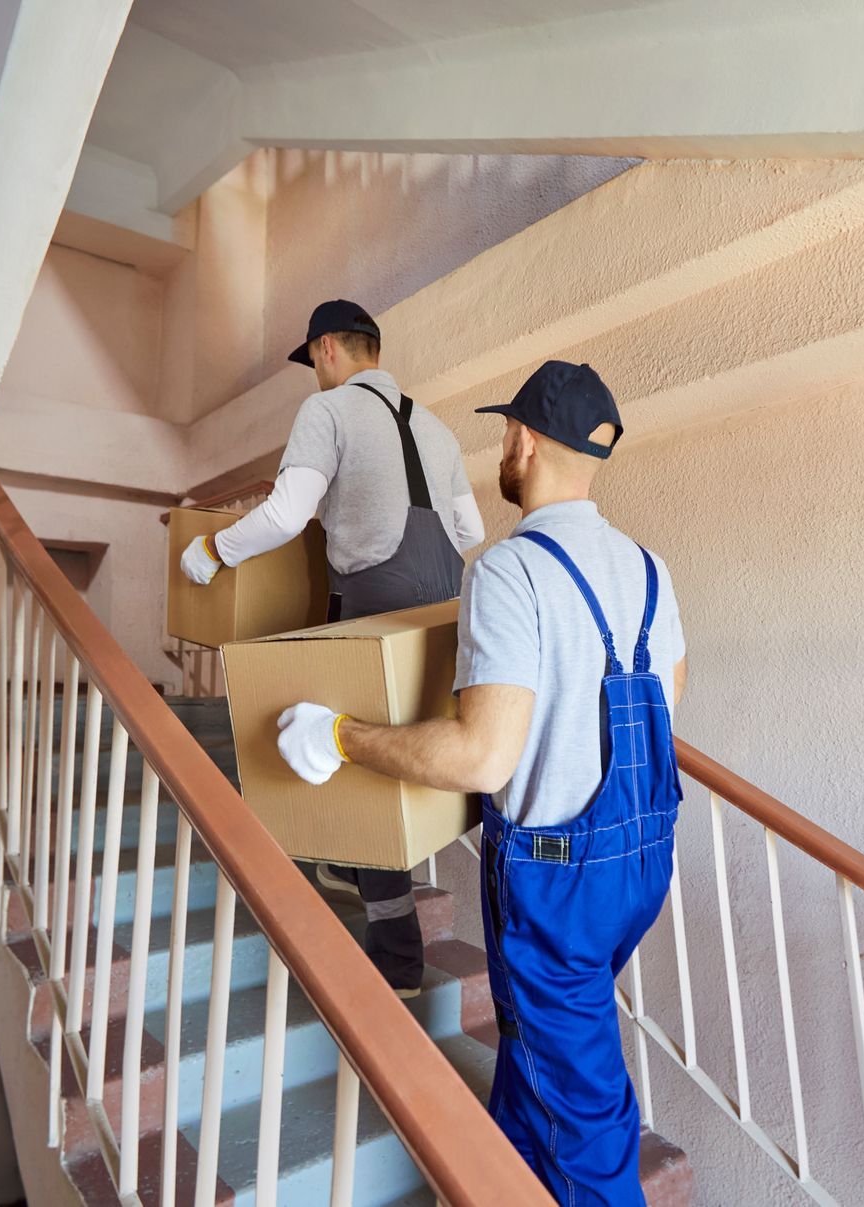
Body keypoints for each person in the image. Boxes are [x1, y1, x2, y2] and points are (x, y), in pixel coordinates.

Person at [274, 361, 685, 1205]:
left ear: (525, 441)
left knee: (587, 1123)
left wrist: (341, 736)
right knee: (537, 1063)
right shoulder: (649, 569)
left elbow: (482, 759)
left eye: (506, 433)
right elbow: (661, 708)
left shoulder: (510, 571)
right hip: (641, 861)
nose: (503, 446)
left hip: (556, 880)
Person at [181, 298, 483, 998]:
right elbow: (470, 532)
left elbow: (288, 513)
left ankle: (399, 958)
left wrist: (212, 551)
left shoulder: (328, 410)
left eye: (314, 360)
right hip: (445, 605)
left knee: (360, 756)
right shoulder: (434, 426)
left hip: (376, 596)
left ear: (324, 350)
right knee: (409, 749)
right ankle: (349, 866)